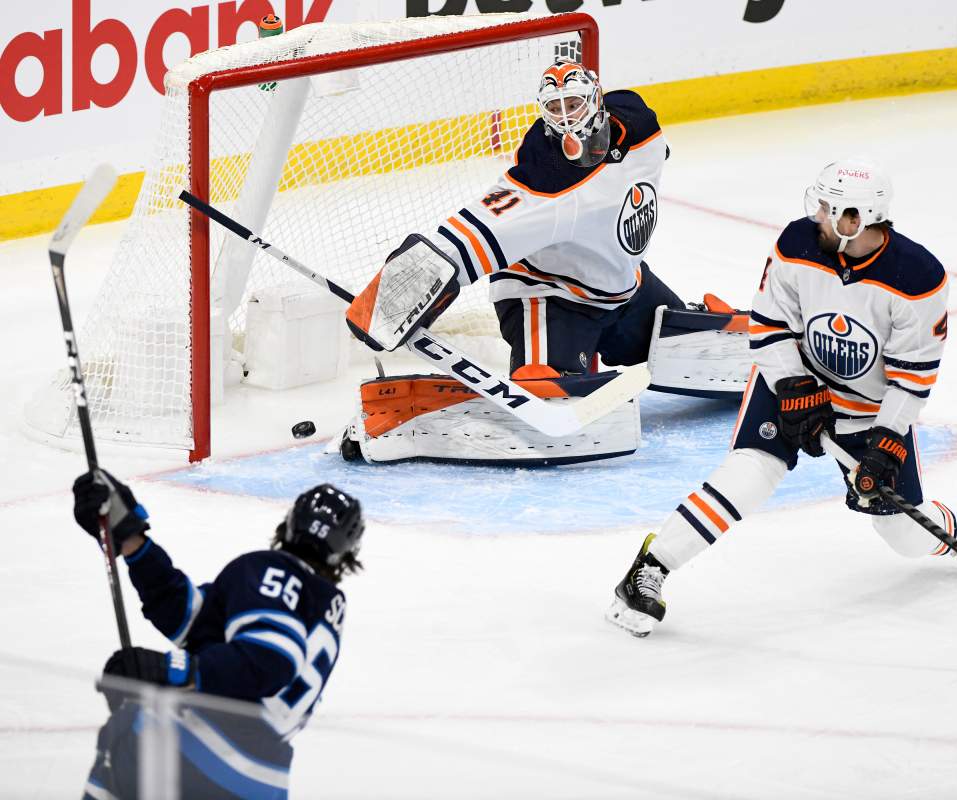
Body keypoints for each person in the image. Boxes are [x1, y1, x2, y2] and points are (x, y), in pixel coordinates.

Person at [605, 158, 957, 637]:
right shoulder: (797, 243)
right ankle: (648, 570)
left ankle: (956, 532)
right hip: (793, 379)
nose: (817, 215)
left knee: (902, 534)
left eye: (828, 209)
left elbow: (912, 377)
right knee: (751, 472)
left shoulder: (918, 278)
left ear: (854, 219)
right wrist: (794, 385)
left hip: (868, 407)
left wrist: (886, 440)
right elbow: (768, 324)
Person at [338, 56, 750, 465]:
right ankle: (408, 415)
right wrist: (397, 292)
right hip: (548, 296)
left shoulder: (640, 126)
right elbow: (471, 233)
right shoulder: (543, 180)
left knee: (693, 344)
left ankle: (615, 338)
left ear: (597, 100)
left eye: (575, 103)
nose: (567, 117)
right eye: (556, 108)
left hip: (624, 287)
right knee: (546, 394)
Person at [74, 471, 363, 798]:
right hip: (261, 784)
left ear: (290, 522)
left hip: (189, 756)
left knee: (126, 731)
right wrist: (132, 541)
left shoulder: (274, 572)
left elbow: (267, 660)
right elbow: (192, 620)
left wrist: (169, 669)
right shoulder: (320, 606)